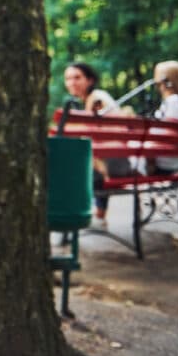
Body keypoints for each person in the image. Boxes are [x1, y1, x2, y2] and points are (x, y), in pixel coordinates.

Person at [62, 62, 131, 230]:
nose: (72, 82)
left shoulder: (97, 100)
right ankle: (99, 216)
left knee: (66, 171)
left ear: (90, 80)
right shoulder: (95, 99)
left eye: (77, 77)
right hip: (116, 163)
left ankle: (78, 217)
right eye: (68, 78)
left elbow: (105, 136)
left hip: (114, 165)